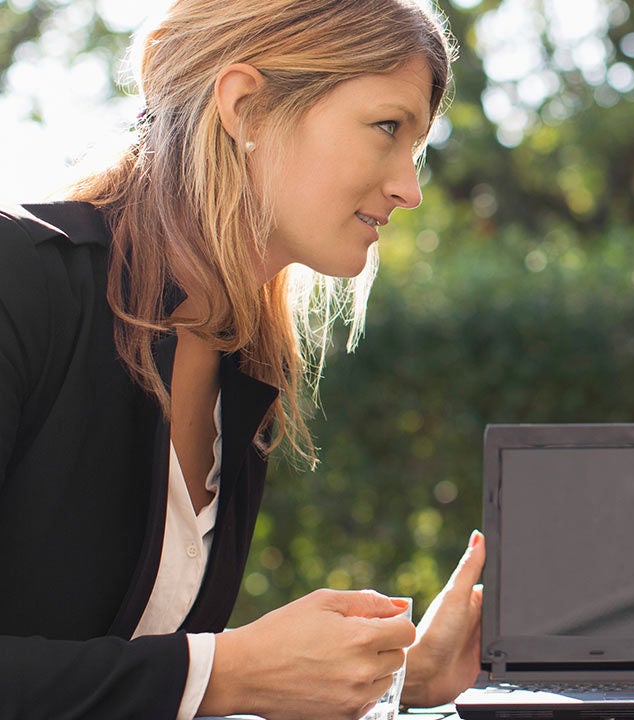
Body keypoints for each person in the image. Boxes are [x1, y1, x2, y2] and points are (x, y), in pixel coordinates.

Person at [0, 0, 486, 718]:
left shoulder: (245, 372)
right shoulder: (19, 282)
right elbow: (189, 677)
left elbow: (130, 676)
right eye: (388, 128)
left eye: (414, 148)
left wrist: (390, 680)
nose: (409, 189)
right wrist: (224, 671)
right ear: (247, 107)